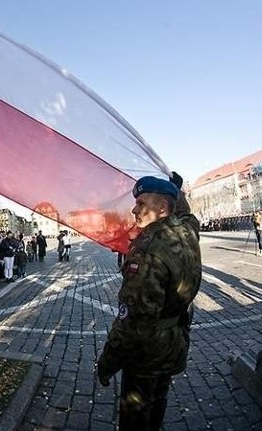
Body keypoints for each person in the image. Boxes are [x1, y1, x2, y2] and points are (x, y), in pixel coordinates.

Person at [97, 174, 202, 430]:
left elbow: (134, 320)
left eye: (142, 203)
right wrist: (178, 191)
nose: (134, 209)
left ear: (162, 208)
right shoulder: (186, 231)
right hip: (173, 343)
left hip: (147, 352)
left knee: (136, 416)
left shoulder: (147, 251)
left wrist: (108, 362)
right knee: (158, 402)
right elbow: (188, 216)